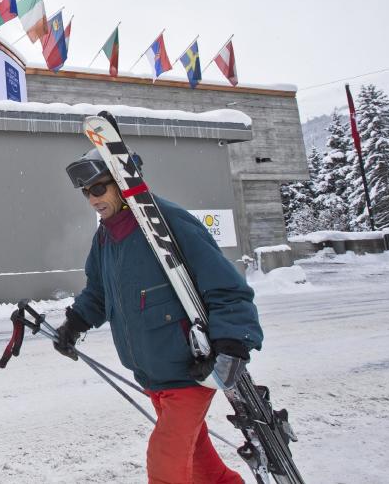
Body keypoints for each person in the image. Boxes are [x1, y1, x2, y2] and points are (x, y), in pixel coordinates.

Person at [55, 148, 262, 484]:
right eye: (86, 192)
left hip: (189, 371)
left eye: (98, 189)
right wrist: (74, 323)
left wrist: (233, 342)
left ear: (123, 183)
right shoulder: (106, 237)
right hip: (153, 376)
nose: (92, 200)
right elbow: (99, 291)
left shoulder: (167, 222)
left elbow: (225, 285)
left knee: (166, 465)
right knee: (201, 467)